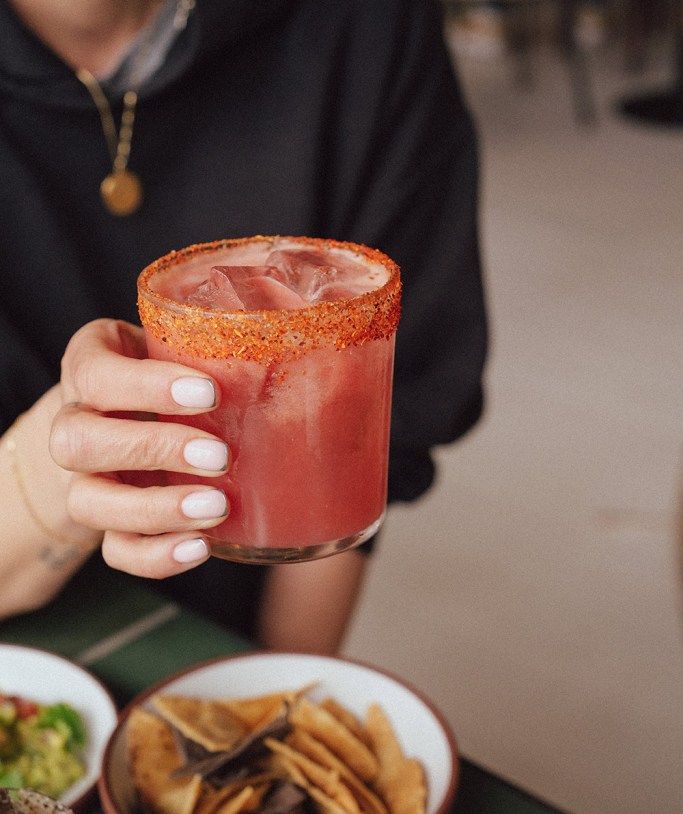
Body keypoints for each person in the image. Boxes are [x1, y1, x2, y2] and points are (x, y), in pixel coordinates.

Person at [0, 0, 487, 654]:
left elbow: (380, 421)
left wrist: (269, 687)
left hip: (239, 612)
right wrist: (52, 473)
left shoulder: (365, 24)